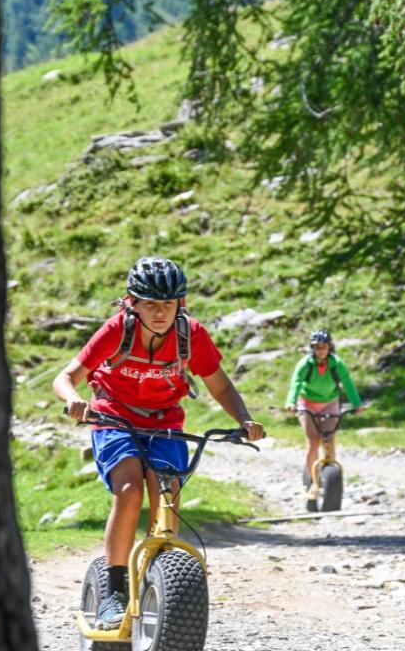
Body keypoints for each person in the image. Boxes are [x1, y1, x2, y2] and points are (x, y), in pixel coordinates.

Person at [54, 256, 265, 629]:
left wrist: (243, 419)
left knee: (167, 497)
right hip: (112, 416)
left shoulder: (191, 334)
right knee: (131, 489)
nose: (160, 313)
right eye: (150, 304)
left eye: (168, 304)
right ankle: (114, 592)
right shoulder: (118, 329)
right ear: (132, 302)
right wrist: (73, 399)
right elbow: (66, 376)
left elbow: (219, 384)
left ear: (180, 304)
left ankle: (159, 582)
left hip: (165, 420)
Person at [285, 329, 362, 487]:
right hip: (307, 403)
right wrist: (291, 402)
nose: (320, 350)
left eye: (324, 347)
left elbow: (347, 383)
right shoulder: (305, 364)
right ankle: (311, 480)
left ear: (329, 347)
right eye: (317, 347)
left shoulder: (336, 363)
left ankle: (330, 480)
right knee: (313, 440)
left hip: (329, 403)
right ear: (312, 348)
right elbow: (296, 384)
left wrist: (357, 404)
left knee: (329, 439)